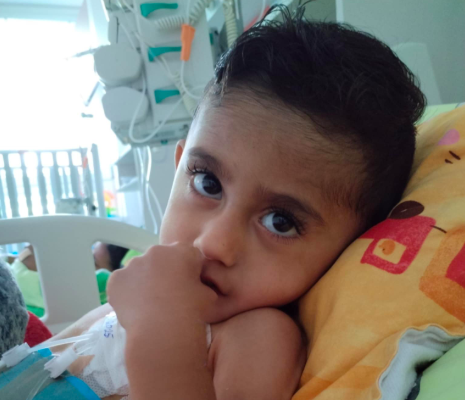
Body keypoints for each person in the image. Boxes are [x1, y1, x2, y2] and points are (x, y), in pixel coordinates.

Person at [50, 5, 426, 400]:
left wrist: (162, 332)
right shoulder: (141, 291)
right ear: (179, 167)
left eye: (280, 222)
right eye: (208, 183)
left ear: (347, 251)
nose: (214, 243)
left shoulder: (259, 338)